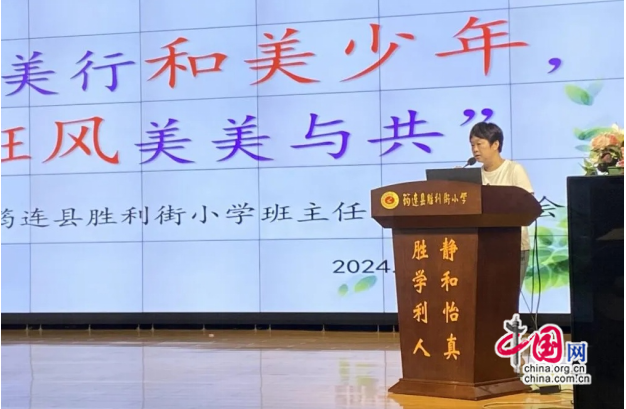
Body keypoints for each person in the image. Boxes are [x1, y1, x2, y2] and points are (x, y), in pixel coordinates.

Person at [468, 122, 534, 286]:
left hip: (513, 247)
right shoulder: (472, 176)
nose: (475, 149)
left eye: (479, 144)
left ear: (495, 144)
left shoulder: (514, 169)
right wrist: (457, 185)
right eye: (472, 145)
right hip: (483, 248)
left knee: (506, 297)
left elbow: (528, 205)